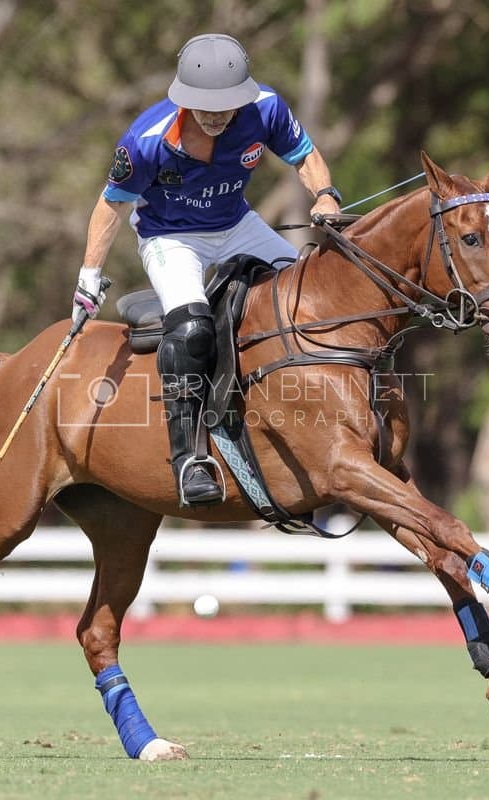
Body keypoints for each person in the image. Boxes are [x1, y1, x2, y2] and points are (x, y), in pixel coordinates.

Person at [72, 33, 342, 507]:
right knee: (194, 328)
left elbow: (306, 157)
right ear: (183, 96)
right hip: (169, 236)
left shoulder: (267, 109)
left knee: (310, 297)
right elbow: (111, 207)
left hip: (237, 223)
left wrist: (325, 194)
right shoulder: (146, 140)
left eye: (226, 106)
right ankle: (189, 458)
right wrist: (89, 276)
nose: (215, 116)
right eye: (204, 106)